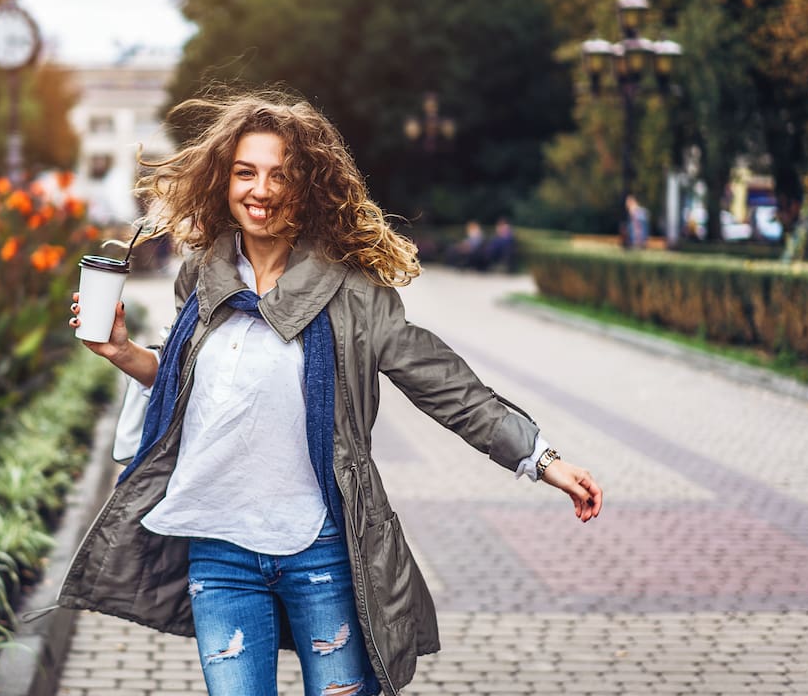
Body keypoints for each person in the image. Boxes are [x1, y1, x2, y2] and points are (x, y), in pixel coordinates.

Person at [63, 91, 602, 696]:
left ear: (309, 186)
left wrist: (541, 459)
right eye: (245, 172)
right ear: (224, 180)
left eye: (280, 175)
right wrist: (125, 354)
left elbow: (446, 386)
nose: (260, 190)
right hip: (218, 548)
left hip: (319, 551)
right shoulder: (202, 275)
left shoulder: (354, 294)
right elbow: (196, 385)